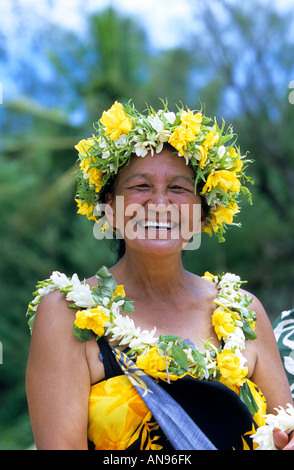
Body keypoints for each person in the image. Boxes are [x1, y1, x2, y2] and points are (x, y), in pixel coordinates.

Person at [26, 100, 294, 450]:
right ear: (110, 207)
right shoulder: (67, 314)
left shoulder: (242, 310)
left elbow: (285, 429)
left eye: (179, 188)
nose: (160, 205)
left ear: (201, 213)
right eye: (140, 186)